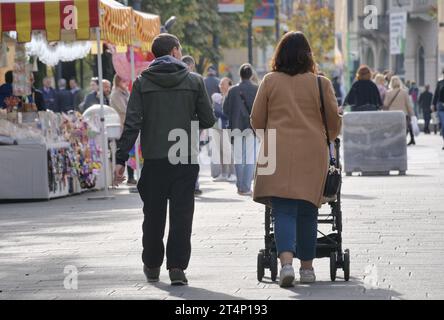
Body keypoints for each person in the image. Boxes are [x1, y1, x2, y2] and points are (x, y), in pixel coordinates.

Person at [114, 33, 216, 286]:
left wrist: (120, 158)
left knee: (153, 215)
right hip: (185, 157)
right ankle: (177, 268)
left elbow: (132, 123)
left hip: (155, 159)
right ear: (174, 51)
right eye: (179, 50)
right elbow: (208, 119)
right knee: (182, 215)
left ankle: (151, 264)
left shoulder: (142, 83)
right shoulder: (194, 81)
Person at [251, 31, 342, 288]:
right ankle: (308, 269)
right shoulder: (319, 83)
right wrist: (330, 135)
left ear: (279, 54)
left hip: (277, 150)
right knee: (308, 210)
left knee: (283, 211)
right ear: (308, 55)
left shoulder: (269, 81)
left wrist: (268, 137)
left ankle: (286, 265)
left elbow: (256, 120)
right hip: (312, 152)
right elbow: (333, 123)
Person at [223, 63, 258, 196]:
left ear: (240, 75)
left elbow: (226, 109)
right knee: (249, 158)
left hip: (236, 127)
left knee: (238, 158)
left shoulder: (232, 90)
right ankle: (246, 187)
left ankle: (239, 187)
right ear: (251, 75)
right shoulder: (256, 89)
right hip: (251, 128)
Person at [181, 55, 204, 196]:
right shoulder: (196, 80)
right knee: (193, 157)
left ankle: (190, 184)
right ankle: (193, 184)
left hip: (179, 124)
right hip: (193, 124)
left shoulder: (173, 79)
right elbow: (203, 106)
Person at [110, 74, 136, 185]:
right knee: (125, 151)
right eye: (124, 80)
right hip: (121, 125)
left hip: (127, 124)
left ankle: (130, 175)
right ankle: (122, 176)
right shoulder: (116, 94)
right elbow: (124, 109)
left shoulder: (125, 92)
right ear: (118, 81)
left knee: (131, 151)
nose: (126, 82)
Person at [210, 77, 236, 182]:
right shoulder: (218, 97)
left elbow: (229, 113)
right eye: (220, 84)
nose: (220, 86)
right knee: (220, 151)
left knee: (228, 151)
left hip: (227, 127)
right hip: (217, 127)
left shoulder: (232, 97)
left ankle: (233, 173)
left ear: (229, 85)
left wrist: (219, 112)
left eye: (223, 84)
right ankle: (224, 173)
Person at [384, 76, 416, 146]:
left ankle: (394, 143)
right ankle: (401, 143)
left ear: (391, 83)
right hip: (403, 115)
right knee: (402, 130)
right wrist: (412, 115)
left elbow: (385, 104)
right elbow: (408, 105)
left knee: (394, 130)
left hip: (392, 115)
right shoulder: (404, 92)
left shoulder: (388, 93)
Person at [432, 70, 444, 150]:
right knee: (443, 124)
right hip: (440, 106)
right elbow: (436, 94)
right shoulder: (440, 82)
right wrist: (433, 104)